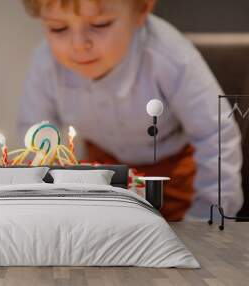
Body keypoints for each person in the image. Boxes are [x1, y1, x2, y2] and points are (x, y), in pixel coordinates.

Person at [17, 0, 243, 221]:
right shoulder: (45, 64)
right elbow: (36, 135)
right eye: (58, 28)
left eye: (100, 24)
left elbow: (216, 135)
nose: (78, 44)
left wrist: (207, 217)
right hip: (103, 175)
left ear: (142, 9)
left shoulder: (171, 57)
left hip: (174, 178)